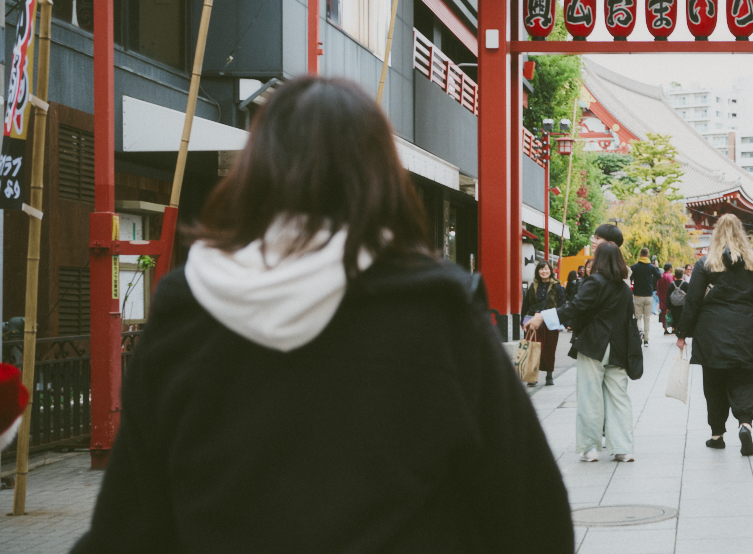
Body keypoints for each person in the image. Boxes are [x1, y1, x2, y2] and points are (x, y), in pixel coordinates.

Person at [70, 77, 573, 553]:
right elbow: (533, 514)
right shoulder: (437, 313)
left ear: (256, 170)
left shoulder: (186, 311)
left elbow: (130, 527)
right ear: (382, 176)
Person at [526, 242, 636, 463]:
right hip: (619, 347)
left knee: (590, 396)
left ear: (600, 260)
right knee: (619, 397)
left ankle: (591, 448)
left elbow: (574, 307)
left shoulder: (594, 282)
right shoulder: (624, 288)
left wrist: (542, 317)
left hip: (594, 345)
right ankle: (623, 448)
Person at [674, 215, 753, 457]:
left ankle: (717, 435)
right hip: (747, 331)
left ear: (716, 234)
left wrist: (682, 333)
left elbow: (693, 301)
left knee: (714, 383)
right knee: (744, 380)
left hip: (712, 332)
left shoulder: (706, 264)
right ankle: (745, 424)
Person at [521, 260, 566, 386]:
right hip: (532, 320)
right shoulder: (533, 286)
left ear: (551, 271)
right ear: (538, 271)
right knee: (532, 347)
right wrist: (522, 320)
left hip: (551, 321)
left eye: (546, 269)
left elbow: (562, 305)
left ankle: (549, 375)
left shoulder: (557, 287)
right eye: (541, 269)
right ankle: (531, 377)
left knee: (549, 349)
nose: (544, 271)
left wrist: (561, 323)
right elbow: (526, 304)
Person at [630, 247, 657, 345]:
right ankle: (646, 339)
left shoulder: (635, 267)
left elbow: (630, 277)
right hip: (648, 295)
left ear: (640, 255)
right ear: (648, 255)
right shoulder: (651, 267)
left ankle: (640, 330)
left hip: (637, 295)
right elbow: (659, 276)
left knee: (638, 317)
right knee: (647, 318)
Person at [656, 263, 675, 334]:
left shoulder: (661, 276)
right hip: (669, 298)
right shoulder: (670, 276)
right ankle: (673, 328)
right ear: (670, 268)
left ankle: (665, 329)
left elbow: (658, 287)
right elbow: (672, 287)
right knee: (671, 312)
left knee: (664, 314)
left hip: (662, 297)